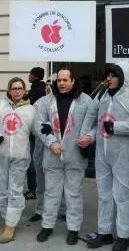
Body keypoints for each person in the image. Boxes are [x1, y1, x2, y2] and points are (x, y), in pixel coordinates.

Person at [84, 62, 129, 251]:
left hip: (124, 155)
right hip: (102, 154)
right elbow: (91, 116)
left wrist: (117, 127)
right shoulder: (102, 95)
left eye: (113, 75)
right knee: (104, 195)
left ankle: (123, 236)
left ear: (123, 77)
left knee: (123, 195)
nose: (108, 78)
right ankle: (104, 232)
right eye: (107, 75)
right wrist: (87, 136)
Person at [35, 68, 97, 245]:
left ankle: (73, 229)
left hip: (76, 155)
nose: (61, 83)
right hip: (53, 154)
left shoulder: (86, 101)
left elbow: (94, 125)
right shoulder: (47, 101)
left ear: (73, 81)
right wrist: (51, 142)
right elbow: (39, 125)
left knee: (73, 194)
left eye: (65, 80)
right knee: (51, 193)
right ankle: (47, 226)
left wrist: (90, 137)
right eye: (59, 80)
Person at [0, 77, 36, 243]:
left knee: (15, 190)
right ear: (9, 90)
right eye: (14, 88)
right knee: (2, 189)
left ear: (25, 90)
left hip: (20, 156)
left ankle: (10, 225)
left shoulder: (31, 110)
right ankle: (7, 218)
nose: (17, 91)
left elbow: (39, 130)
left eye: (20, 88)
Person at [24, 67, 47, 200]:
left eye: (31, 74)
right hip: (34, 129)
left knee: (33, 161)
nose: (29, 76)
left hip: (34, 130)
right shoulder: (37, 88)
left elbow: (28, 103)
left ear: (35, 76)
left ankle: (33, 189)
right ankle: (36, 188)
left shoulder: (38, 90)